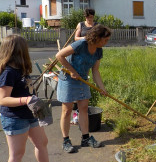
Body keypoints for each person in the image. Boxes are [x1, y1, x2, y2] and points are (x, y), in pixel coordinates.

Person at [56, 24, 111, 153]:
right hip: (68, 78)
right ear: (97, 37)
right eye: (105, 39)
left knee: (84, 108)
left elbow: (95, 70)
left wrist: (101, 87)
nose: (107, 42)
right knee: (67, 110)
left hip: (82, 80)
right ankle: (66, 140)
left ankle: (85, 138)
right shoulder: (80, 44)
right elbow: (59, 56)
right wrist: (72, 71)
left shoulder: (99, 50)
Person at [0, 35, 49, 162]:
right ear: (17, 50)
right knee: (17, 154)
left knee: (42, 143)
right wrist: (26, 100)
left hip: (31, 114)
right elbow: (3, 99)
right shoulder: (8, 72)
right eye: (24, 47)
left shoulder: (21, 68)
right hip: (15, 118)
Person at [73, 8, 98, 123]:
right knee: (78, 77)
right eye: (88, 17)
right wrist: (85, 38)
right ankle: (76, 111)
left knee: (85, 77)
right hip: (80, 52)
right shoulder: (81, 25)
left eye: (91, 17)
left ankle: (83, 102)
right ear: (85, 17)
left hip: (91, 52)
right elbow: (76, 38)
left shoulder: (97, 26)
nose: (89, 19)